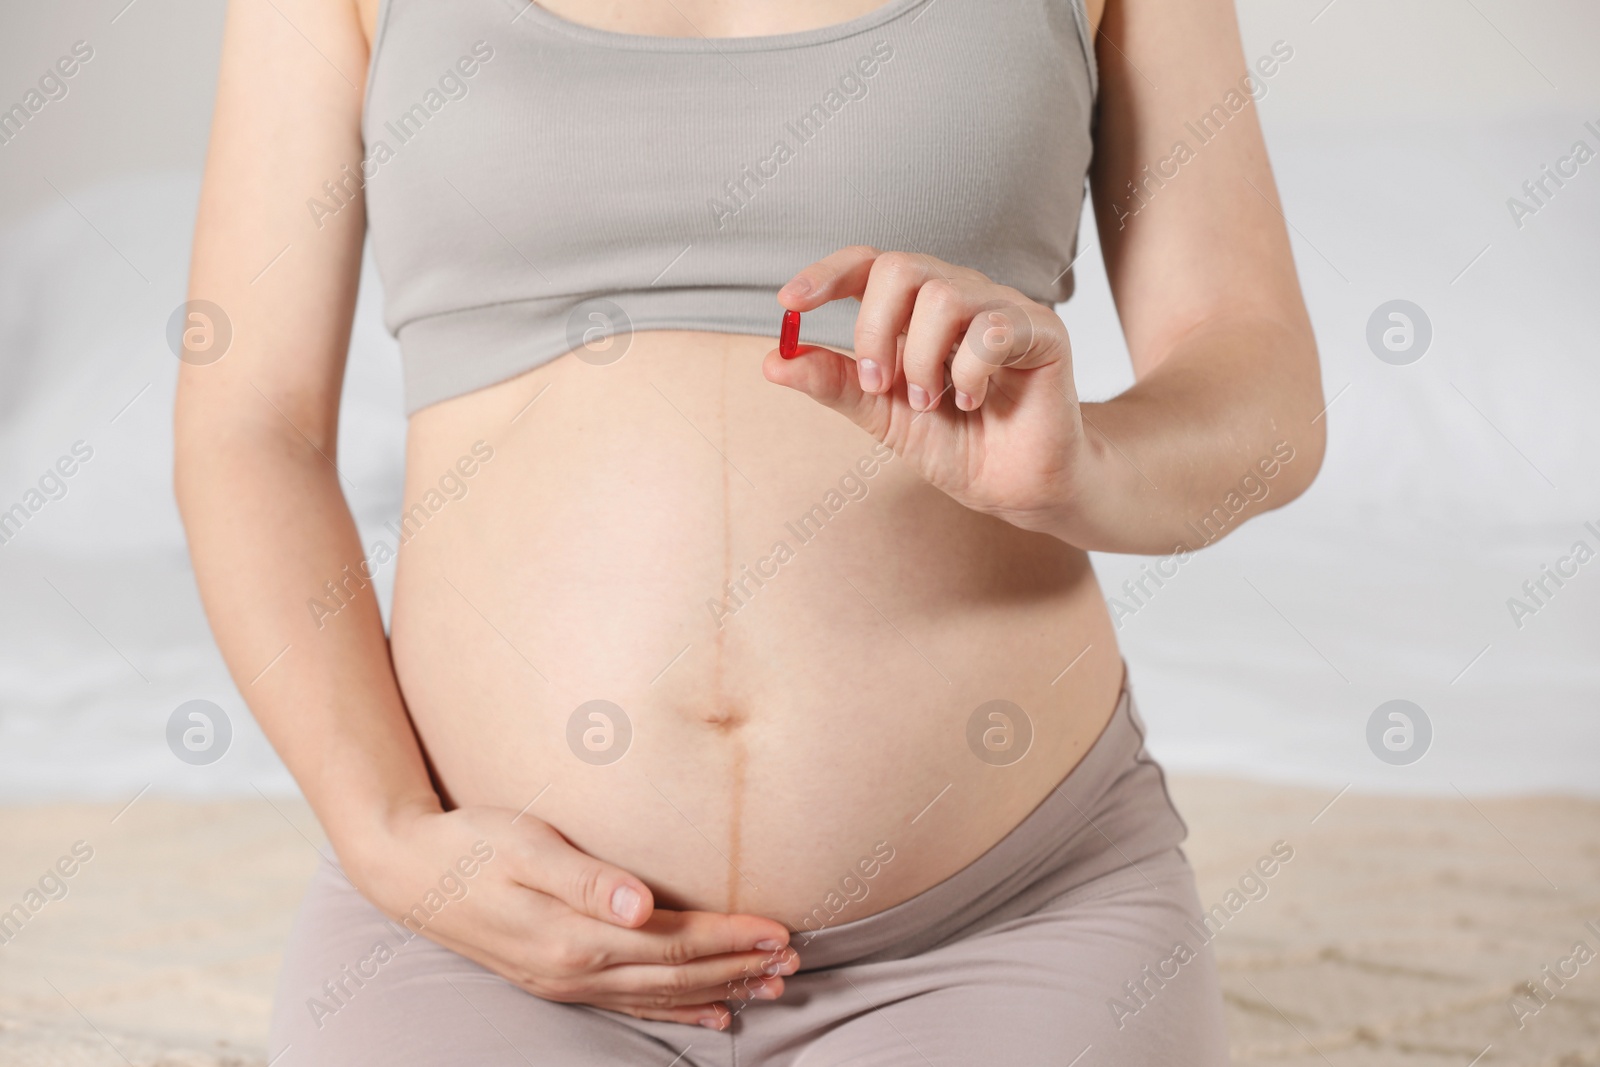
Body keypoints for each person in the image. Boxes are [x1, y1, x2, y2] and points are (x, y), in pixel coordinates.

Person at [175, 0, 1324, 1062]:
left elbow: (1262, 387)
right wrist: (385, 835)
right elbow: (250, 428)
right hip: (480, 935)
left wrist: (1086, 465)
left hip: (1007, 921)